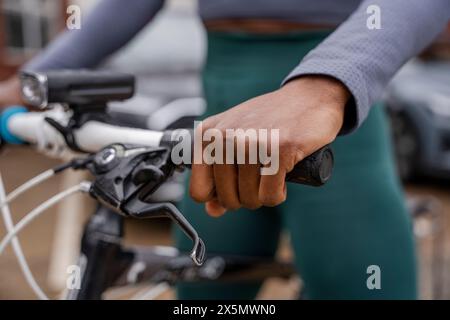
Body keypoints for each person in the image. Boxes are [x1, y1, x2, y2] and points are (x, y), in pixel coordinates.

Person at [1, 0, 449, 299]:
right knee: (200, 296)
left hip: (333, 121)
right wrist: (29, 87)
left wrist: (325, 85)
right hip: (219, 119)